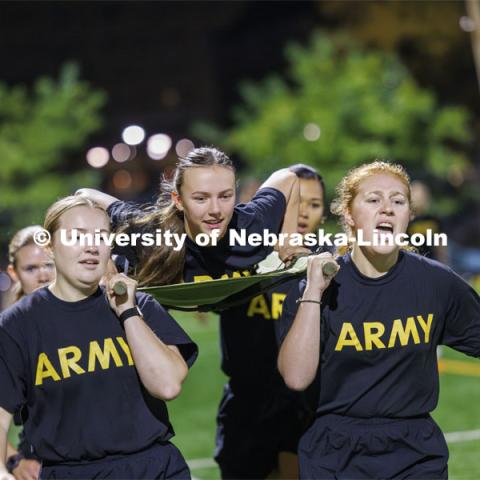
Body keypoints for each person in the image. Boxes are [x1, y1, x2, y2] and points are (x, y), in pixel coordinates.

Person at [277, 161, 480, 479]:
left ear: (409, 215)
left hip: (415, 452)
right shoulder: (316, 285)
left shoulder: (437, 283)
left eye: (398, 201)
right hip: (333, 451)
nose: (386, 209)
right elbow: (296, 377)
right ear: (348, 214)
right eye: (373, 200)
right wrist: (313, 292)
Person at [0, 196, 198, 480]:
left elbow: (167, 386)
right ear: (50, 246)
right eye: (76, 237)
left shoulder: (140, 305)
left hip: (156, 469)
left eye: (101, 237)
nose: (91, 247)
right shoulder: (16, 325)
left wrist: (128, 311)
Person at [214, 164, 327, 479]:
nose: (303, 213)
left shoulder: (328, 264)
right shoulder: (240, 256)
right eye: (297, 201)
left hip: (303, 403)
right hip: (246, 404)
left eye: (314, 204)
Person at [76, 146, 309, 286]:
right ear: (178, 200)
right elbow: (85, 195)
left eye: (226, 196)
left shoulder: (252, 226)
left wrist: (289, 242)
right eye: (201, 198)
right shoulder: (150, 233)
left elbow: (288, 177)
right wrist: (104, 259)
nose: (216, 209)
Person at [5, 226, 56, 480]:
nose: (43, 276)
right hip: (43, 464)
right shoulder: (8, 334)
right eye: (31, 268)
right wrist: (14, 461)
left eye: (49, 264)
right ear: (13, 273)